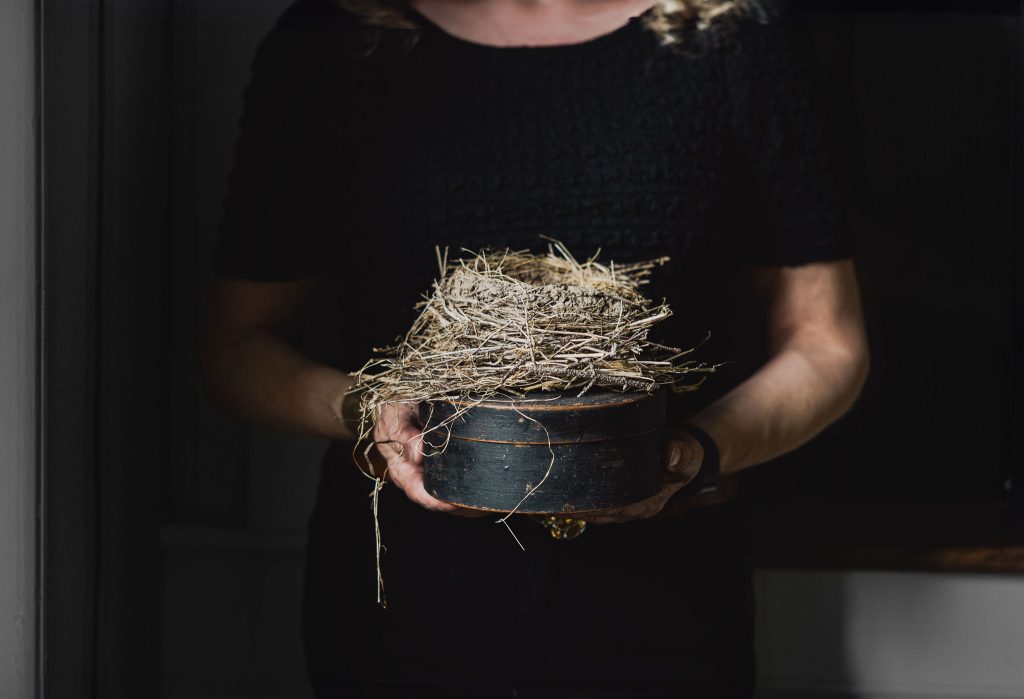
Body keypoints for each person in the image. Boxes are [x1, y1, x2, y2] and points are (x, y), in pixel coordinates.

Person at [199, 0, 870, 696]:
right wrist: (372, 409)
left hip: (665, 600)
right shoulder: (336, 37)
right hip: (404, 601)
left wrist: (697, 451)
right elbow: (236, 348)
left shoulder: (730, 33)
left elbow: (827, 343)